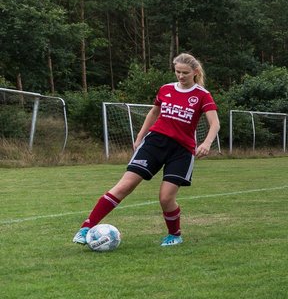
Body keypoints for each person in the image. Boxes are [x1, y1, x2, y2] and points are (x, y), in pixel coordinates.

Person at [73, 53, 220, 247]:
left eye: (185, 73)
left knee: (166, 197)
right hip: (154, 143)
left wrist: (207, 143)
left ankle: (174, 234)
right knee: (124, 186)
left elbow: (215, 122)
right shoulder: (165, 89)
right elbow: (154, 112)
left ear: (195, 72)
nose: (181, 76)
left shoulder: (202, 95)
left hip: (181, 150)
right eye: (177, 72)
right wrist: (140, 137)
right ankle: (86, 228)